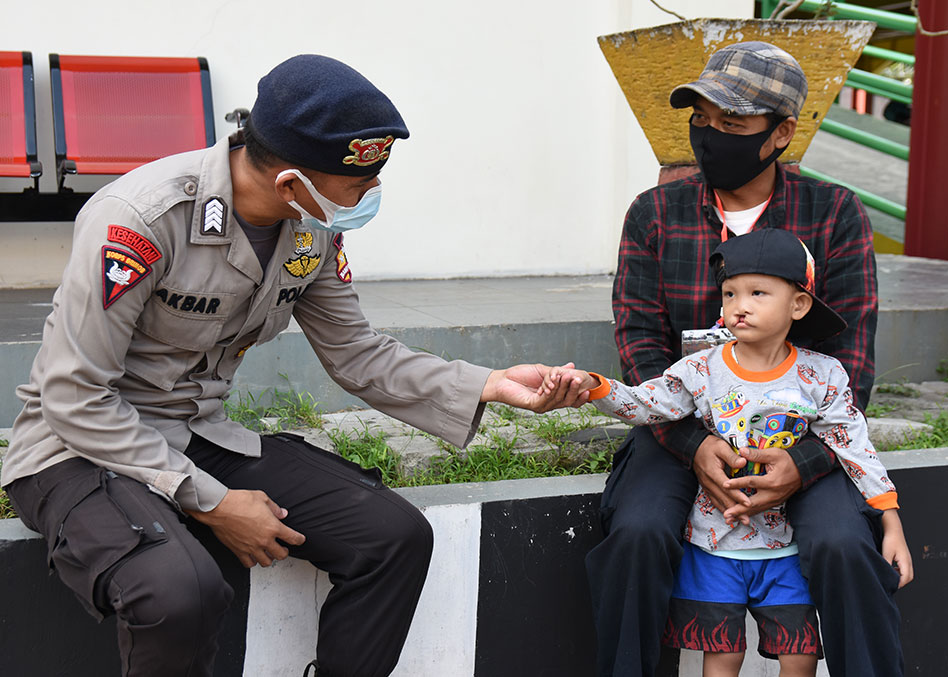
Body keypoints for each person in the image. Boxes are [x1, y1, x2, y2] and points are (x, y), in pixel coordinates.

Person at [0, 54, 587, 677]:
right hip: (79, 448)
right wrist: (214, 502)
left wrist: (492, 384)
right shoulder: (141, 220)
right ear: (289, 183)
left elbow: (358, 353)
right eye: (359, 187)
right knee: (179, 593)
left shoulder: (311, 230)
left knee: (394, 537)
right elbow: (74, 395)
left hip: (194, 432)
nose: (371, 197)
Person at [588, 41, 901, 677]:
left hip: (803, 428)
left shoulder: (834, 213)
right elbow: (639, 341)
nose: (711, 136)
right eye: (701, 119)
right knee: (639, 533)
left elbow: (852, 360)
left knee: (844, 545)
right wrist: (691, 442)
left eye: (733, 123)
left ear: (781, 132)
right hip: (678, 423)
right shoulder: (656, 213)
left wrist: (803, 461)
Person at [542, 228, 913, 677]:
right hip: (716, 537)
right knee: (722, 655)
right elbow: (648, 403)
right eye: (730, 293)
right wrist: (594, 386)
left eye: (758, 292)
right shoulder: (701, 369)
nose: (740, 305)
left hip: (783, 544)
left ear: (798, 305)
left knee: (799, 655)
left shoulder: (822, 374)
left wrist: (890, 523)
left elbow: (855, 447)